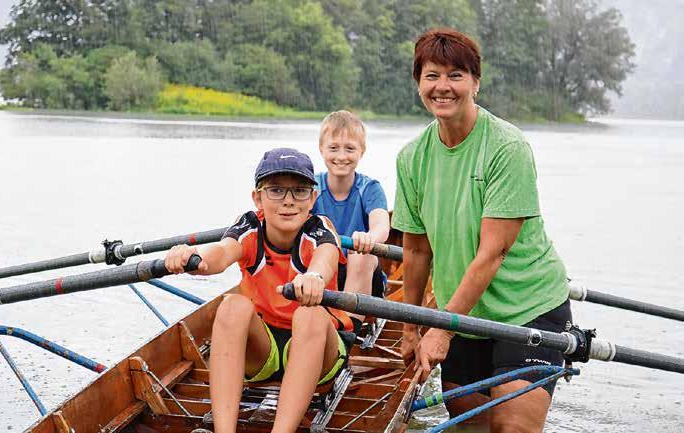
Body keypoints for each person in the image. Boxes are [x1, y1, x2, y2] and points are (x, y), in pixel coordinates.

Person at [392, 28, 572, 433]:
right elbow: (417, 252)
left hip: (528, 311)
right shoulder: (411, 158)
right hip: (465, 313)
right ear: (418, 82)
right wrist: (410, 327)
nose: (443, 87)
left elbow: (493, 254)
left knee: (511, 428)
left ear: (476, 81)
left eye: (456, 75)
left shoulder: (506, 147)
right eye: (432, 75)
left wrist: (441, 329)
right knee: (470, 427)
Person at [165, 147, 356, 433]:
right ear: (258, 198)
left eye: (300, 191)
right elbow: (221, 252)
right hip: (262, 350)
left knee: (310, 314)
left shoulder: (319, 230)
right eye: (276, 190)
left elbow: (325, 258)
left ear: (313, 198)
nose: (289, 201)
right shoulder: (249, 226)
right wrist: (194, 259)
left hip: (319, 352)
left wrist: (314, 277)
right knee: (231, 305)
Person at [312, 110, 390, 324]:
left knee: (359, 254)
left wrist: (369, 238)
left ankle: (347, 330)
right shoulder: (310, 189)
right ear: (321, 149)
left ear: (361, 151)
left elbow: (382, 225)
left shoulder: (370, 188)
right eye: (333, 148)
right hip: (321, 271)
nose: (341, 156)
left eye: (350, 149)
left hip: (362, 275)